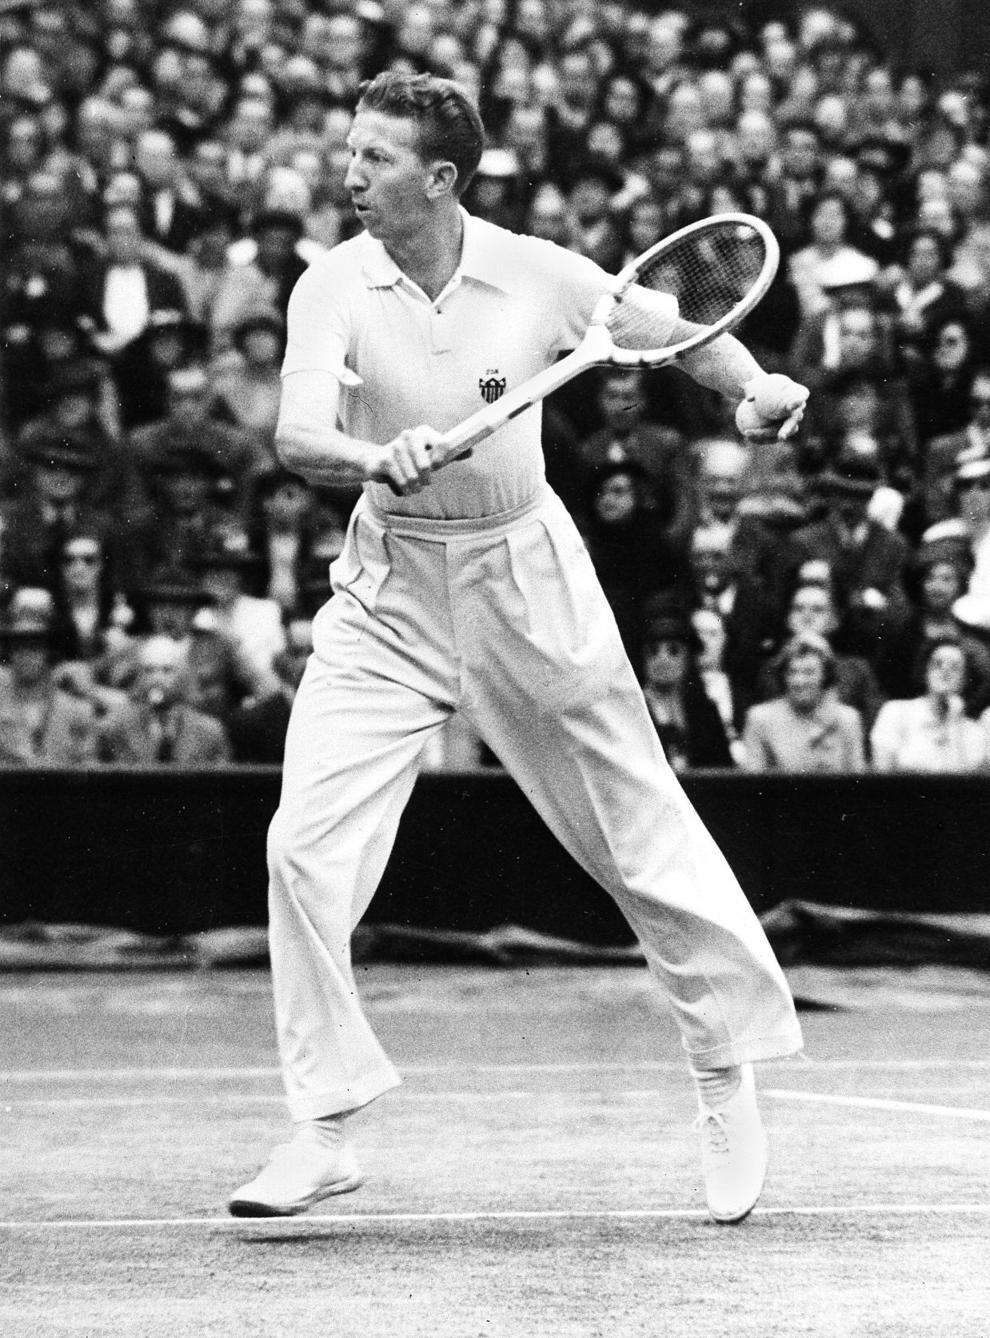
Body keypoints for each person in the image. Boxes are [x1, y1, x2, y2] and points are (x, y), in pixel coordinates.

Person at [228, 71, 807, 1227]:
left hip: (525, 581)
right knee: (302, 848)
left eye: (375, 157)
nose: (349, 173)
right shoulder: (330, 285)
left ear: (440, 179)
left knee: (639, 833)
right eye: (350, 151)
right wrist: (367, 459)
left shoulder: (539, 273)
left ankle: (723, 1073)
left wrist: (751, 391)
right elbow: (297, 432)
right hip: (387, 588)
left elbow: (685, 338)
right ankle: (325, 1127)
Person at [741, 632, 866, 774]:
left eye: (809, 672)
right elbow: (752, 782)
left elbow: (858, 782)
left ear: (825, 677)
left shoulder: (848, 720)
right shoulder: (760, 718)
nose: (799, 681)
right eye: (792, 672)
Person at [870, 635, 987, 773]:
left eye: (955, 667)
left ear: (966, 679)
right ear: (925, 671)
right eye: (937, 664)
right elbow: (882, 773)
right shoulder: (896, 712)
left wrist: (954, 723)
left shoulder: (974, 732)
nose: (945, 670)